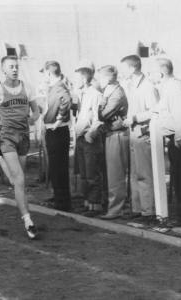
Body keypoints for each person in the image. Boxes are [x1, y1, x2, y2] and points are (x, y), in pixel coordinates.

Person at [0, 55, 40, 239]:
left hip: (23, 137)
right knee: (19, 179)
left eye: (17, 66)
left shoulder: (27, 88)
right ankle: (28, 221)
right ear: (4, 70)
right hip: (7, 137)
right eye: (11, 67)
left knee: (17, 182)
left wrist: (33, 118)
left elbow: (37, 111)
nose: (15, 69)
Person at [153, 58, 181, 226]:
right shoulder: (168, 87)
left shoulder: (174, 88)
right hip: (175, 137)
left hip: (180, 139)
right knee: (179, 179)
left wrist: (180, 138)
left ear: (162, 71)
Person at [121, 55, 159, 222]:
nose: (122, 71)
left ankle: (148, 210)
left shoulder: (148, 87)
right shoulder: (132, 86)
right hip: (133, 131)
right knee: (135, 172)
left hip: (143, 132)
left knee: (144, 173)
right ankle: (138, 208)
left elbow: (155, 111)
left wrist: (135, 117)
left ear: (132, 68)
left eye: (124, 68)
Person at [97, 65, 129, 219]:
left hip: (117, 134)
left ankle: (116, 209)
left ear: (110, 77)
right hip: (111, 133)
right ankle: (115, 207)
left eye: (102, 77)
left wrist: (103, 99)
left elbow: (102, 115)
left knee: (116, 174)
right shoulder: (112, 91)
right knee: (112, 173)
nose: (100, 80)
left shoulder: (116, 93)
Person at [73, 60, 104, 217]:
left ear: (87, 76)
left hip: (89, 139)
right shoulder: (81, 95)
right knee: (84, 174)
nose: (78, 78)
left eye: (81, 74)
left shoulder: (96, 95)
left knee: (92, 173)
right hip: (80, 138)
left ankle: (95, 204)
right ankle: (87, 202)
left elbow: (99, 119)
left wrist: (91, 133)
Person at [41, 61, 72, 211]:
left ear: (48, 73)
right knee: (56, 167)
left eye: (44, 73)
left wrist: (58, 121)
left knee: (58, 167)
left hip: (57, 131)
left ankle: (62, 202)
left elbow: (66, 102)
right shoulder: (54, 87)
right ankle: (59, 199)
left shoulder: (59, 86)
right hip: (55, 130)